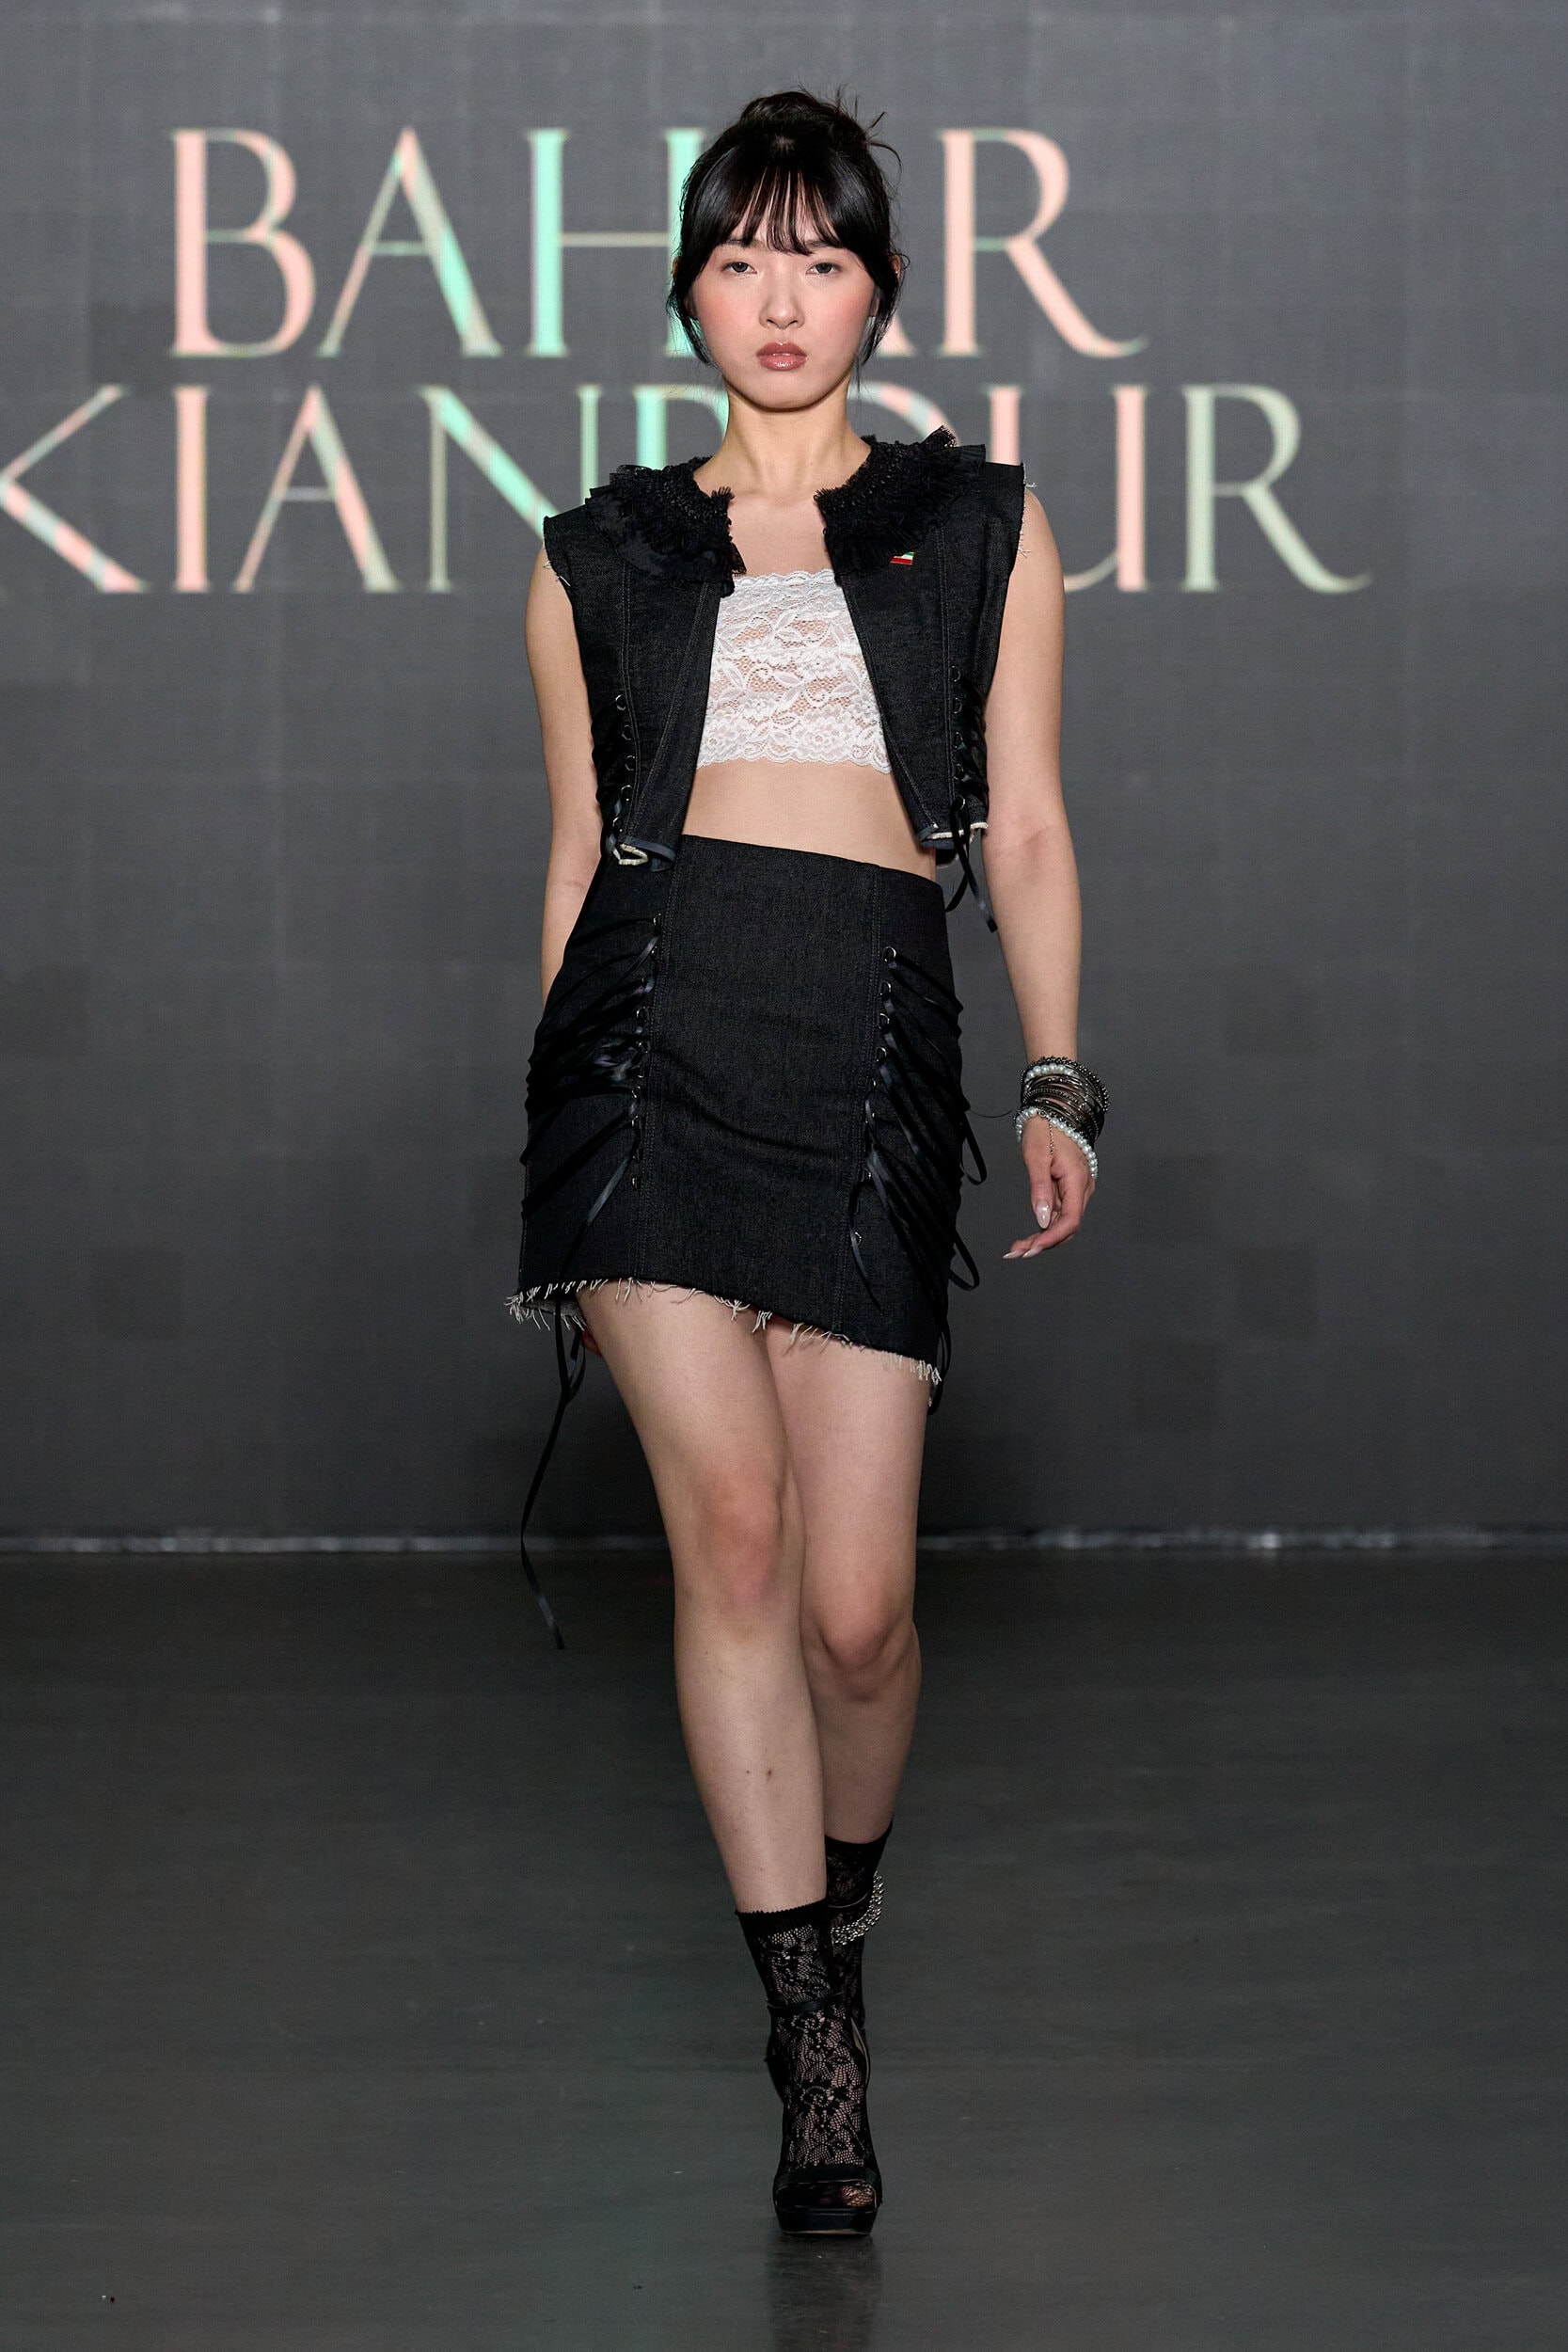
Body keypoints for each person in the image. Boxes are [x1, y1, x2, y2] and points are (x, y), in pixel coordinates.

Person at [511, 88, 1102, 2235]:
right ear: (687, 289)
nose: (781, 298)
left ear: (881, 290)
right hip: (647, 1056)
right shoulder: (596, 555)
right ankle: (815, 2051)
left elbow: (1024, 824)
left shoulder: (983, 524)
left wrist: (1058, 1077)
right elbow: (577, 858)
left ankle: (832, 1927)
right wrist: (558, 1146)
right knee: (738, 1540)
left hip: (867, 1049)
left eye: (822, 257)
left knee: (859, 1620)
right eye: (743, 257)